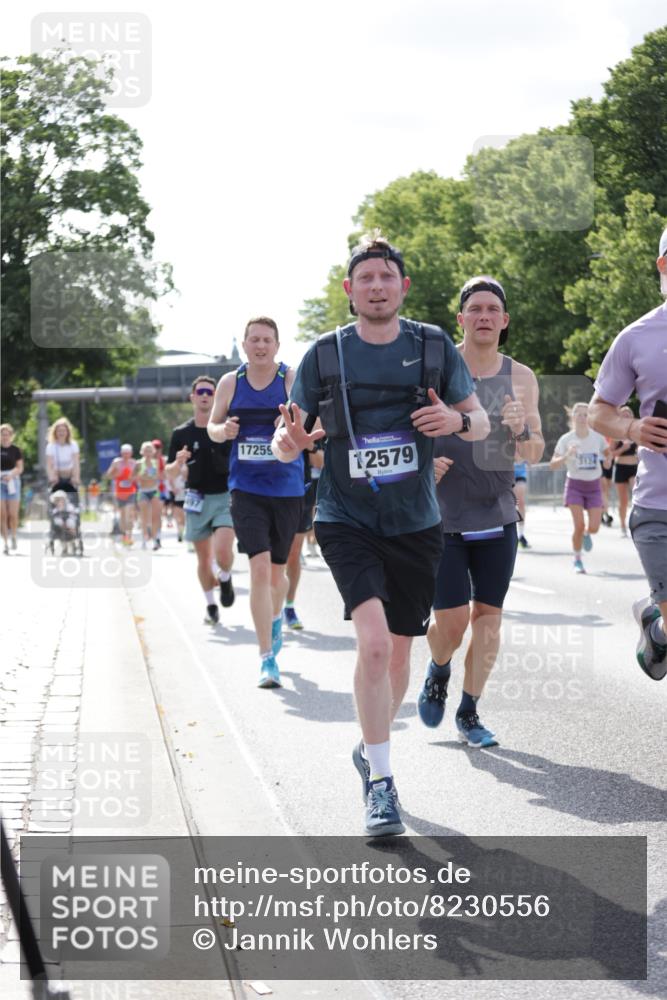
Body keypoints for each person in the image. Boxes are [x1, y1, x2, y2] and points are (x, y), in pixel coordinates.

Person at [272, 232, 489, 836]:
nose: (375, 286)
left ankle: (370, 750)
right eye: (364, 278)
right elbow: (290, 435)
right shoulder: (325, 354)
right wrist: (290, 442)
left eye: (385, 278)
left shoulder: (433, 345)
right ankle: (384, 785)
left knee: (396, 653)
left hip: (417, 523)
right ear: (349, 290)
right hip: (346, 519)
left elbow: (479, 422)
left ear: (403, 287)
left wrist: (456, 418)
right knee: (371, 645)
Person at [418, 276, 544, 749]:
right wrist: (423, 467)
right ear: (462, 318)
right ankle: (438, 669)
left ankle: (469, 712)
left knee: (488, 617)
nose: (485, 316)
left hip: (497, 513)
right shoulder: (434, 370)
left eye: (493, 309)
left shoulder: (520, 377)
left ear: (504, 320)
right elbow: (408, 435)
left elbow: (533, 453)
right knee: (449, 623)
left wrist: (519, 431)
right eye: (476, 309)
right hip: (441, 516)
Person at [208, 317, 305, 688]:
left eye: (267, 340)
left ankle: (276, 616)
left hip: (287, 488)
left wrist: (285, 432)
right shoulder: (231, 382)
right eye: (254, 340)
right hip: (246, 489)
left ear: (277, 345)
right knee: (260, 570)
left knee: (278, 575)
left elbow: (303, 421)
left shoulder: (290, 378)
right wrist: (225, 431)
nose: (260, 346)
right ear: (245, 345)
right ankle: (267, 659)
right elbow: (213, 427)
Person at [588, 226, 667, 681]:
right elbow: (600, 412)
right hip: (659, 507)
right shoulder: (636, 338)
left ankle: (657, 627)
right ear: (662, 266)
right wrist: (634, 426)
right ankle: (659, 624)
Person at [166, 376, 235, 625]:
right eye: (201, 392)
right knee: (203, 559)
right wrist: (179, 462)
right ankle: (211, 605)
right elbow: (170, 472)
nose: (205, 395)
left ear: (215, 396)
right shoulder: (181, 433)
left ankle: (225, 578)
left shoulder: (225, 428)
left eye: (210, 392)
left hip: (225, 496)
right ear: (192, 397)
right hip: (195, 498)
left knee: (224, 552)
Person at [549, 402, 609, 574]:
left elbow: (607, 453)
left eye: (586, 414)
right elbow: (553, 464)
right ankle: (577, 559)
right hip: (575, 485)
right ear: (573, 417)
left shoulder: (597, 437)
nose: (583, 418)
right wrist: (567, 455)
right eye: (579, 414)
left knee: (595, 527)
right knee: (579, 525)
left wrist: (607, 460)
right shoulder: (566, 440)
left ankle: (586, 534)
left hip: (594, 486)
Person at [283, 444, 325, 630]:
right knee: (266, 556)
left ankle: (289, 606)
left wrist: (309, 445)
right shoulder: (256, 415)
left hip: (299, 492)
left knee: (293, 555)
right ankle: (270, 606)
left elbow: (321, 461)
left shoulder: (306, 417)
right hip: (263, 493)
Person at [609, 406, 639, 537]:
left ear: (632, 416)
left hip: (634, 468)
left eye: (628, 414)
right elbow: (610, 454)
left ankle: (637, 523)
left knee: (636, 494)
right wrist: (622, 449)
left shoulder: (637, 432)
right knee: (623, 501)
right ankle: (622, 526)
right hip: (620, 467)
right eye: (623, 415)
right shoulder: (615, 434)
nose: (626, 416)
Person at [134, 441, 162, 550]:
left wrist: (150, 477)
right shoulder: (138, 464)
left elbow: (158, 477)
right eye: (146, 450)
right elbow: (132, 477)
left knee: (155, 517)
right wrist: (141, 477)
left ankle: (155, 540)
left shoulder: (156, 463)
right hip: (143, 491)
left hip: (154, 490)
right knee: (144, 517)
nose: (148, 452)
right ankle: (144, 539)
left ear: (153, 452)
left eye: (150, 450)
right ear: (142, 452)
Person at [107, 444, 138, 545]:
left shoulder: (134, 463)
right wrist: (116, 474)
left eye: (128, 453)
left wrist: (132, 478)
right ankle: (124, 535)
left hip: (131, 491)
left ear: (131, 453)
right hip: (119, 492)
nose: (126, 455)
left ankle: (129, 536)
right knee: (123, 515)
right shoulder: (116, 462)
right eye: (124, 453)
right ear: (121, 453)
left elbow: (138, 477)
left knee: (130, 513)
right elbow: (108, 475)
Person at [1, 423, 24, 554]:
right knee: (2, 514)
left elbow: (20, 468)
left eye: (7, 434)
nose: (4, 437)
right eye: (2, 434)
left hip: (12, 482)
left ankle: (14, 536)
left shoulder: (16, 450)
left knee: (12, 514)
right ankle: (5, 543)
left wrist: (11, 474)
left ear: (11, 436)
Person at [45, 417, 80, 495]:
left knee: (73, 501)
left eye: (64, 431)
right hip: (57, 477)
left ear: (67, 432)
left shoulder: (73, 445)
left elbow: (76, 463)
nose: (61, 433)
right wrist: (52, 477)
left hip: (70, 477)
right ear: (55, 432)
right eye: (59, 431)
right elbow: (49, 464)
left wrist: (75, 477)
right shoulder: (51, 446)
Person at [513, 461, 530, 549]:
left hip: (520, 474)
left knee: (520, 502)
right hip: (505, 473)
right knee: (510, 504)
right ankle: (511, 534)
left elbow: (532, 460)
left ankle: (521, 535)